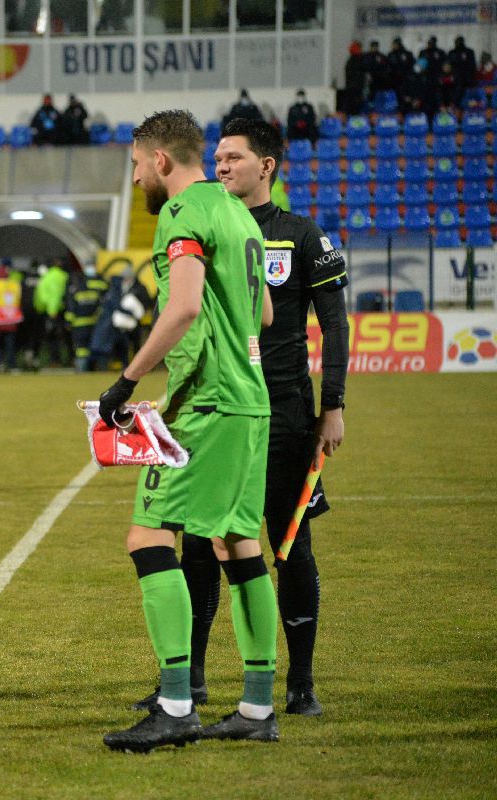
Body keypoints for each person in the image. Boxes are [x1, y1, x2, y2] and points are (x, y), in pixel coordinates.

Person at [100, 109, 278, 753]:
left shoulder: (182, 214)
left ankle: (175, 705)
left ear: (162, 162)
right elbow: (262, 307)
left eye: (137, 166)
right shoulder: (236, 210)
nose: (138, 178)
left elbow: (182, 308)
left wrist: (126, 385)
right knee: (238, 544)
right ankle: (259, 708)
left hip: (208, 405)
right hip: (252, 402)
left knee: (147, 533)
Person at [152, 118, 342, 717]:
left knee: (289, 544)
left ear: (268, 166)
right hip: (217, 405)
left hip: (285, 411)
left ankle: (300, 683)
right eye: (218, 157)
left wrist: (332, 404)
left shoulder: (302, 236)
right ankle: (194, 680)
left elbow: (335, 325)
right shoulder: (207, 219)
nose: (222, 165)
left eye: (235, 157)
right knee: (202, 544)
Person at [65, 264, 108, 371]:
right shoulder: (94, 293)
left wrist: (68, 323)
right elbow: (99, 308)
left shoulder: (76, 293)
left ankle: (81, 370)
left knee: (81, 349)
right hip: (93, 324)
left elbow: (71, 309)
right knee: (93, 347)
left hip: (79, 326)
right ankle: (96, 369)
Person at [341, 41, 367, 115]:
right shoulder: (360, 59)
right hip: (357, 87)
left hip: (350, 86)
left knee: (349, 105)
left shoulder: (350, 60)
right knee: (356, 106)